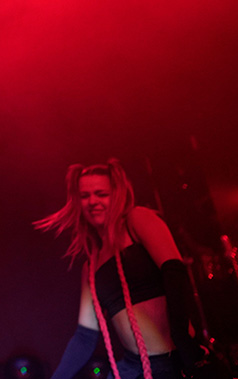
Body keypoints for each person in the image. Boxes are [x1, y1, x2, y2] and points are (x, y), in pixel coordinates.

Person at [36, 161, 204, 379]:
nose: (92, 201)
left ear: (116, 195)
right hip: (132, 370)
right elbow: (85, 335)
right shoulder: (91, 267)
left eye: (101, 194)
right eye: (85, 196)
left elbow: (174, 272)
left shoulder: (137, 220)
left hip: (175, 360)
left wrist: (184, 342)